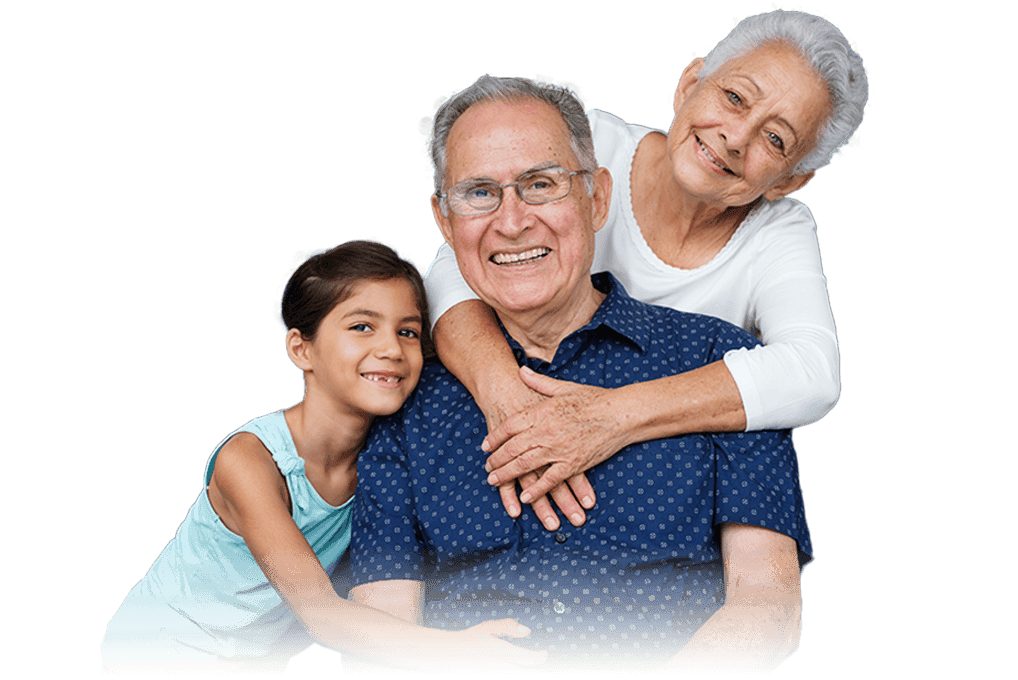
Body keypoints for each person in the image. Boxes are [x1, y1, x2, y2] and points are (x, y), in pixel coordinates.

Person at [350, 78, 810, 672]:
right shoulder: (404, 401)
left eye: (541, 185)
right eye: (480, 193)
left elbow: (769, 610)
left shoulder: (726, 366)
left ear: (597, 200)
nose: (512, 222)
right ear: (444, 219)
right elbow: (379, 636)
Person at [423, 10, 867, 527]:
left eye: (776, 140)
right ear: (689, 84)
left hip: (658, 499)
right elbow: (456, 265)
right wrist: (508, 398)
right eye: (734, 98)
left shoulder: (778, 233)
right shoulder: (587, 145)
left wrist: (610, 417)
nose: (736, 137)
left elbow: (810, 373)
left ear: (790, 180)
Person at [100, 240, 546, 673]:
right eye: (362, 327)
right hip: (161, 649)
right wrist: (458, 650)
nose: (392, 348)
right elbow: (320, 612)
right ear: (302, 349)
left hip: (250, 658)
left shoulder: (388, 459)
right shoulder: (250, 462)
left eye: (406, 331)